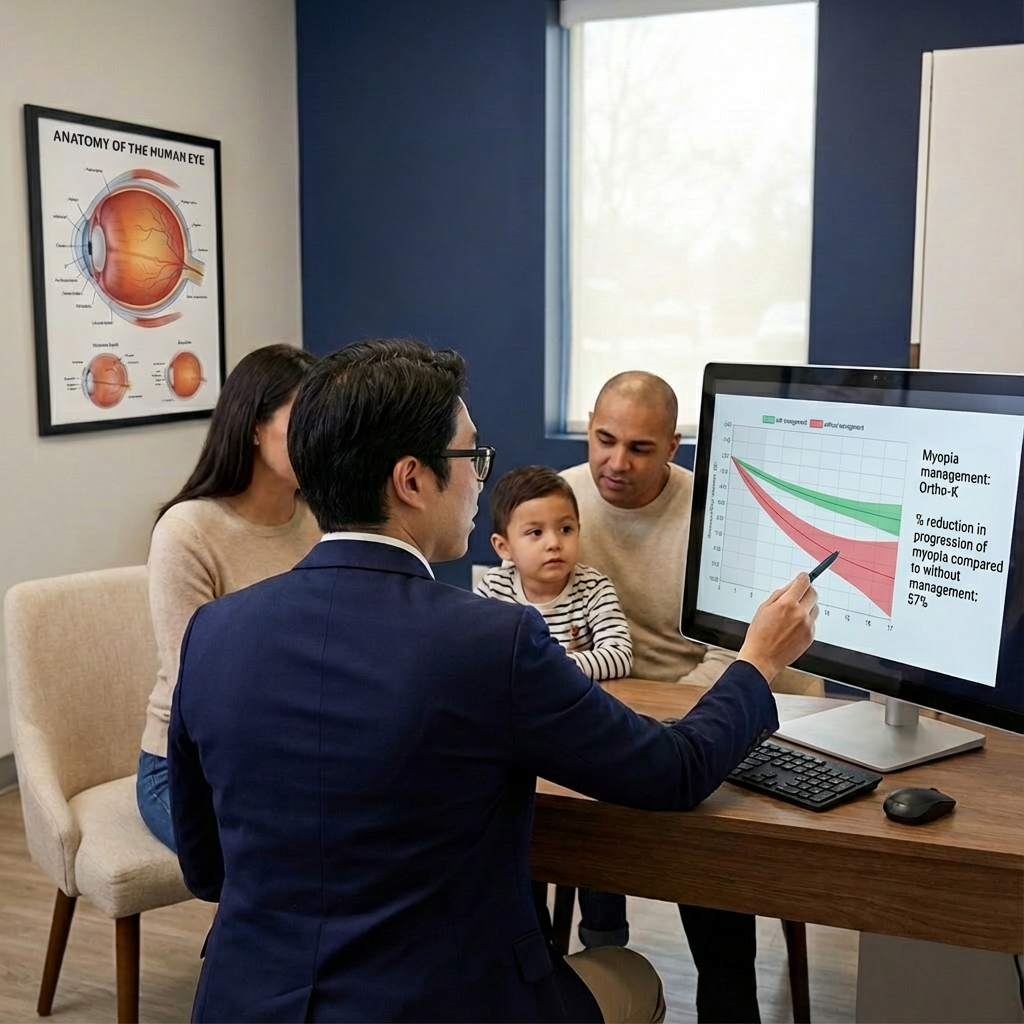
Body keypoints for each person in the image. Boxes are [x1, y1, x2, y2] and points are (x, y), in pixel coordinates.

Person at [168, 339, 818, 1023]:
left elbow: (207, 871)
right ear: (412, 480)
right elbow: (673, 773)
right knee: (630, 970)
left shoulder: (213, 632)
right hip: (447, 1004)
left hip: (243, 1003)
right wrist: (758, 661)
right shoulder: (490, 642)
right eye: (472, 457)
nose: (482, 479)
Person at [561, 370, 820, 1021]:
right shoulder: (558, 503)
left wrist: (659, 733)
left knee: (708, 856)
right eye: (604, 439)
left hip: (700, 717)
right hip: (608, 721)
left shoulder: (720, 515)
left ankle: (727, 990)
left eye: (640, 448)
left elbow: (738, 657)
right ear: (588, 424)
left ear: (674, 446)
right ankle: (573, 971)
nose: (616, 463)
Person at [137, 343, 321, 851]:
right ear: (254, 427)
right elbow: (201, 689)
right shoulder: (188, 531)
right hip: (185, 772)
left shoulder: (321, 521)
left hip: (296, 754)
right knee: (291, 860)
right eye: (305, 419)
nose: (323, 440)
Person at [475, 465, 632, 681]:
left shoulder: (594, 588)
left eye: (566, 529)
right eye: (536, 532)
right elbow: (473, 651)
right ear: (504, 547)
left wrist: (546, 667)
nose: (554, 543)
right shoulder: (494, 588)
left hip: (574, 706)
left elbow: (619, 657)